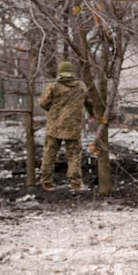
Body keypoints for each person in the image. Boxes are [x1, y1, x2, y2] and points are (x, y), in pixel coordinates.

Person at [38, 61, 94, 192]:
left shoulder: (53, 86)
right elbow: (89, 102)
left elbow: (43, 103)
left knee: (49, 154)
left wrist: (51, 110)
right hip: (73, 127)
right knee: (74, 155)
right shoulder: (80, 86)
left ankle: (46, 182)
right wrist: (91, 113)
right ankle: (75, 184)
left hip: (54, 126)